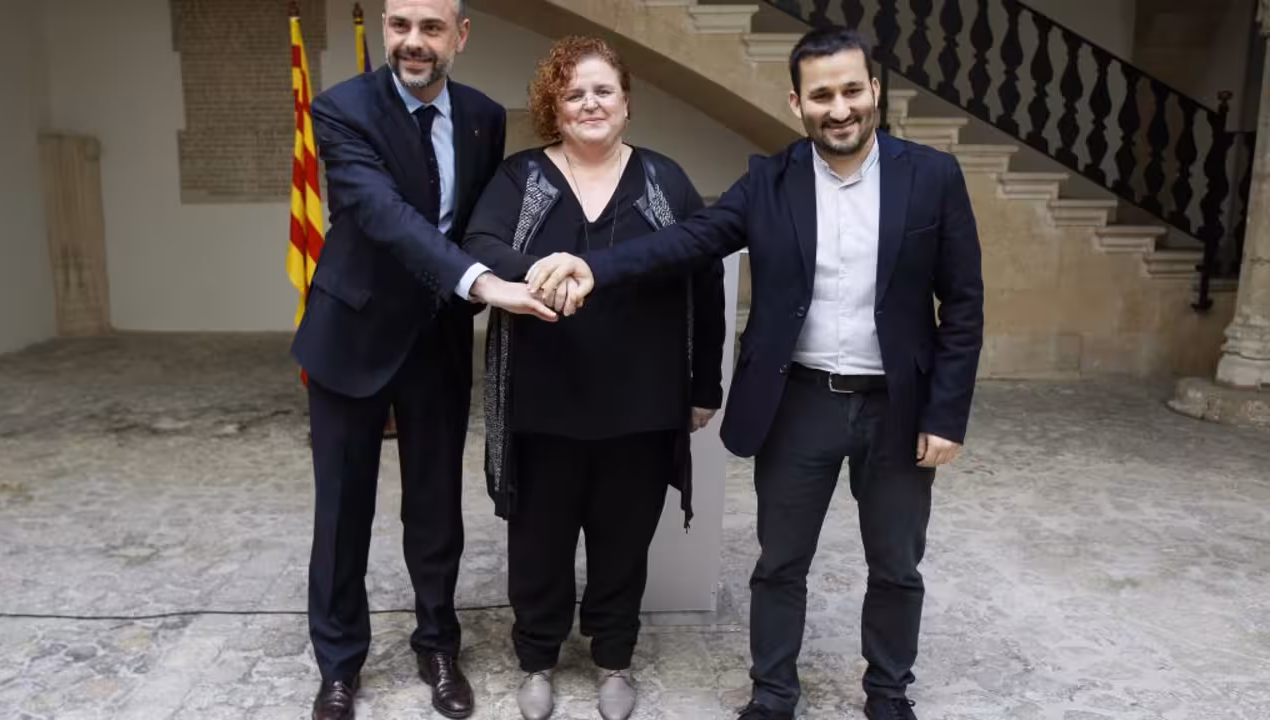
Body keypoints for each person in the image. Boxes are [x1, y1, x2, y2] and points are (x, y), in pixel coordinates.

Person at [527, 26, 985, 720]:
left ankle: (889, 693)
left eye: (852, 91)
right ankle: (772, 695)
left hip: (897, 405)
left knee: (896, 565)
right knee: (780, 564)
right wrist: (594, 266)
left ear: (875, 91)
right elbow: (689, 241)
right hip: (798, 403)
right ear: (797, 103)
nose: (839, 109)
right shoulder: (770, 181)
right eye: (821, 96)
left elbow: (964, 304)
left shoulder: (933, 176)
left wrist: (945, 415)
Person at [291, 1, 556, 718]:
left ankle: (438, 645)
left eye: (431, 27)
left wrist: (528, 269)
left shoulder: (483, 117)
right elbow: (383, 214)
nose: (413, 41)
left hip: (436, 338)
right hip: (350, 334)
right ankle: (339, 665)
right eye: (400, 24)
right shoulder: (342, 108)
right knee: (341, 510)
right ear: (385, 27)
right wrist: (482, 283)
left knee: (436, 507)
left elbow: (478, 224)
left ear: (460, 35)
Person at [459, 35, 726, 720]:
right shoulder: (521, 178)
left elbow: (705, 280)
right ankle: (537, 659)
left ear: (627, 102)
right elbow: (479, 245)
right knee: (538, 544)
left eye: (603, 90)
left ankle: (613, 658)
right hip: (542, 403)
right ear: (554, 107)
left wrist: (705, 386)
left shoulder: (665, 182)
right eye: (573, 93)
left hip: (642, 405)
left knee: (623, 543)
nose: (590, 103)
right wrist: (537, 268)